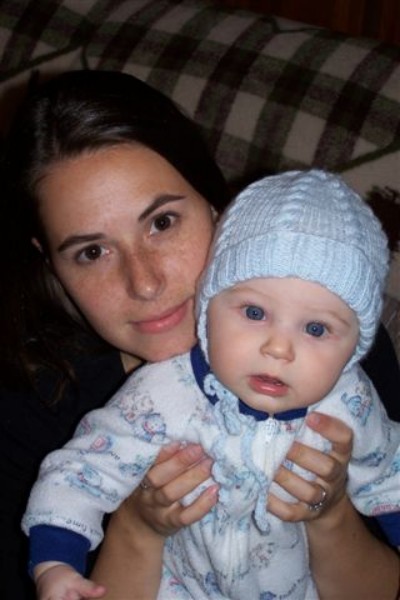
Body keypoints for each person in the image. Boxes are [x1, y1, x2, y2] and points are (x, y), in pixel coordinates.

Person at [0, 69, 398, 600]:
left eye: (162, 222)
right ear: (50, 262)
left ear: (216, 206)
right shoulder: (30, 409)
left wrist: (331, 514)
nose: (144, 283)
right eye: (92, 252)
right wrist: (137, 529)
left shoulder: (332, 343)